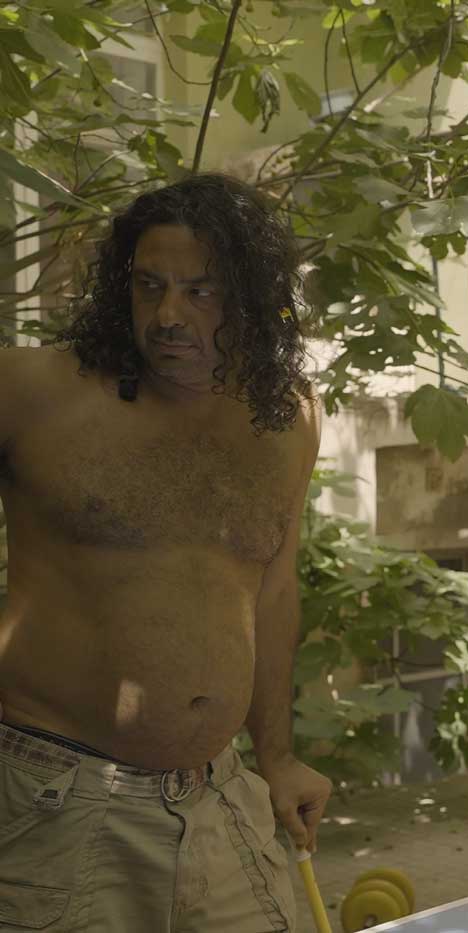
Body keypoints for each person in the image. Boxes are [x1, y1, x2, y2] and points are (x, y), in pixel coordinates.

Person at [0, 173, 328, 930]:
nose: (169, 315)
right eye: (150, 286)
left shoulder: (287, 417)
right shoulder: (29, 389)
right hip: (55, 805)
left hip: (221, 802)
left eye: (200, 292)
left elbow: (272, 591)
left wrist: (278, 757)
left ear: (250, 298)